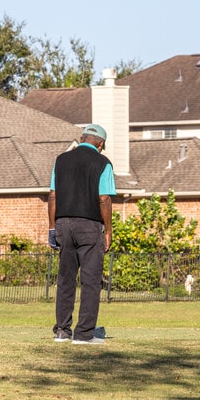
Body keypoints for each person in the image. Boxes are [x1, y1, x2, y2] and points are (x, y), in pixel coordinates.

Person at [47, 124, 116, 345]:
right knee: (90, 280)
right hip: (89, 226)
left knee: (66, 279)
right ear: (101, 143)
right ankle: (84, 334)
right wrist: (108, 230)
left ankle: (62, 331)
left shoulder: (61, 160)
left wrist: (52, 228)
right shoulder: (103, 163)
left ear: (81, 138)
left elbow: (52, 196)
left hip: (63, 225)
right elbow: (104, 199)